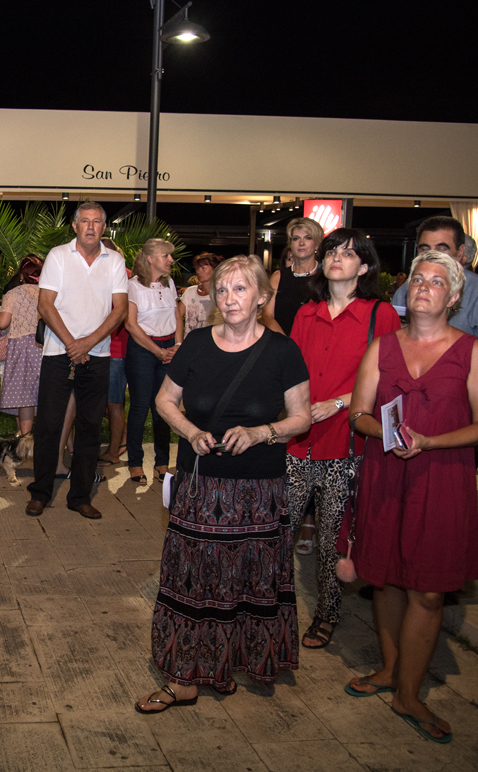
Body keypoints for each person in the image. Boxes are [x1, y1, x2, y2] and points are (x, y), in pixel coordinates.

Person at [135, 254, 311, 711]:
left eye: (240, 289)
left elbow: (301, 417)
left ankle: (226, 665)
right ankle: (184, 679)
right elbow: (164, 401)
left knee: (246, 583)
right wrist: (191, 432)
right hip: (202, 486)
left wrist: (260, 432)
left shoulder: (282, 351)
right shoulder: (195, 344)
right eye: (224, 290)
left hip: (258, 493)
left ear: (262, 297)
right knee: (193, 583)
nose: (229, 299)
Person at [344, 250, 478, 744]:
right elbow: (358, 413)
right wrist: (382, 433)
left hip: (443, 478)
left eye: (437, 281)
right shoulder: (381, 348)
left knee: (429, 589)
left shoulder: (473, 352)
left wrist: (430, 441)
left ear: (453, 297)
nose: (424, 286)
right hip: (386, 473)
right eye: (417, 278)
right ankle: (391, 671)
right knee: (386, 577)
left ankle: (410, 692)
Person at [285, 229, 400, 649]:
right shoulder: (306, 313)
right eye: (332, 251)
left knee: (335, 537)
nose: (337, 258)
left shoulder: (380, 315)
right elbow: (291, 375)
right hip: (299, 443)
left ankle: (327, 615)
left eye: (349, 254)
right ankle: (270, 608)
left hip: (346, 446)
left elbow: (389, 379)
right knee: (280, 529)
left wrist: (337, 403)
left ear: (364, 266)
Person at [25, 203, 128, 520]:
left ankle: (80, 496)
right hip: (59, 354)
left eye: (97, 222)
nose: (91, 226)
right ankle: (40, 493)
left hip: (97, 357)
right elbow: (45, 304)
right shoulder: (58, 256)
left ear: (104, 227)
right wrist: (73, 344)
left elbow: (120, 310)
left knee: (90, 428)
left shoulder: (115, 261)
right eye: (85, 221)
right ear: (74, 226)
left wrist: (87, 343)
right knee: (48, 426)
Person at [124, 238, 182, 485]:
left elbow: (178, 315)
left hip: (170, 348)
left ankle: (162, 462)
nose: (171, 260)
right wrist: (157, 351)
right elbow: (130, 324)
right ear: (150, 259)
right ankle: (135, 463)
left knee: (164, 407)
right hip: (143, 351)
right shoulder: (133, 286)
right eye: (165, 255)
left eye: (170, 256)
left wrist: (177, 346)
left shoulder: (169, 284)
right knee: (139, 408)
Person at [391, 216, 478, 347]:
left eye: (441, 250)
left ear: (460, 252)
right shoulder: (405, 291)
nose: (433, 256)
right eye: (425, 249)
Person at [0, 255, 44, 435]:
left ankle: (25, 438)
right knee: (41, 392)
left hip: (21, 347)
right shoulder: (46, 293)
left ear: (22, 274)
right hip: (43, 346)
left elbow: (3, 322)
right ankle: (64, 442)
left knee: (24, 395)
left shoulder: (13, 294)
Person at [265, 217, 324, 334]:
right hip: (280, 344)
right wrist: (287, 345)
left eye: (308, 238)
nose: (301, 243)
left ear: (317, 245)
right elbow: (267, 316)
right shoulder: (278, 277)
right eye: (296, 238)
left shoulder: (325, 278)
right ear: (291, 245)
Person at [179, 251, 221, 335]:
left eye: (203, 268)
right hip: (190, 342)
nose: (198, 271)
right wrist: (179, 341)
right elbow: (177, 315)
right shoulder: (190, 292)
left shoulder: (221, 294)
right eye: (197, 268)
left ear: (215, 269)